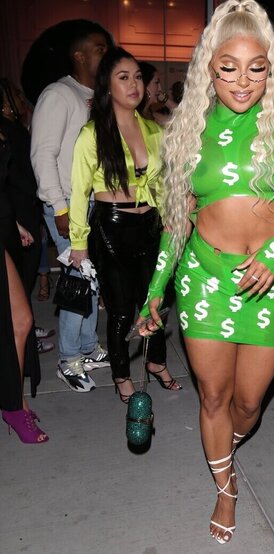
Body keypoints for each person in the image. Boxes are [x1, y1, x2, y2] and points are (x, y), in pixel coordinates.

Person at [137, 0, 274, 544]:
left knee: (247, 404)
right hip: (204, 278)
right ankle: (226, 486)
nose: (243, 80)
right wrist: (155, 291)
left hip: (270, 281)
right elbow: (177, 222)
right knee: (213, 398)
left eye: (256, 67)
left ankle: (226, 448)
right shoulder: (187, 132)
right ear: (208, 68)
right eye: (229, 67)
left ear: (271, 69)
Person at [69, 47, 181, 402]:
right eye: (123, 77)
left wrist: (171, 219)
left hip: (151, 224)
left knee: (155, 302)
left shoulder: (153, 129)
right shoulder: (92, 134)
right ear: (107, 85)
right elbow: (78, 191)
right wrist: (78, 243)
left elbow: (162, 184)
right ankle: (121, 376)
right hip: (112, 227)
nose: (134, 84)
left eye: (138, 77)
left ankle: (156, 362)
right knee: (120, 311)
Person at [31, 21, 111, 392]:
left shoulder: (97, 95)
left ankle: (87, 347)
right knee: (78, 282)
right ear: (79, 55)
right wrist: (60, 207)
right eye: (99, 48)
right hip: (66, 204)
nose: (106, 54)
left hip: (92, 203)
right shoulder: (59, 94)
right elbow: (42, 154)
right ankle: (68, 360)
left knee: (90, 280)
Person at [0, 120, 48, 443]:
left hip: (5, 226)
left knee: (19, 321)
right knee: (19, 321)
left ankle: (15, 403)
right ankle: (14, 406)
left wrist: (14, 223)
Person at [0, 77, 55, 356]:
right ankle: (24, 339)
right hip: (16, 211)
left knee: (26, 277)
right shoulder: (6, 130)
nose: (22, 100)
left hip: (23, 209)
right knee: (21, 279)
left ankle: (27, 334)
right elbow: (14, 175)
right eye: (16, 96)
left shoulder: (15, 127)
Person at [138, 62, 178, 127]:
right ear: (145, 84)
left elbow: (184, 118)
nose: (160, 89)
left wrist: (165, 99)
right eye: (156, 82)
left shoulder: (153, 116)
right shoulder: (134, 117)